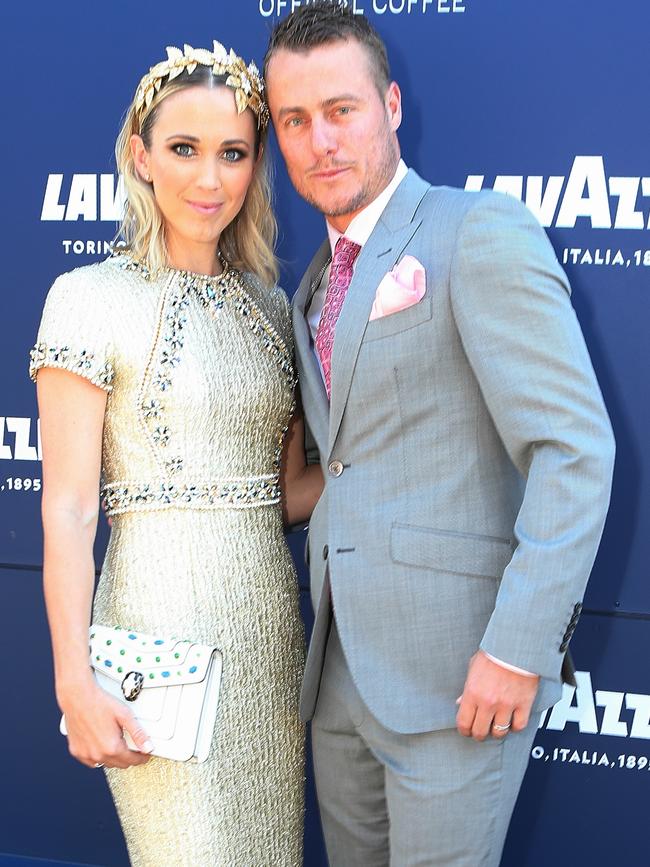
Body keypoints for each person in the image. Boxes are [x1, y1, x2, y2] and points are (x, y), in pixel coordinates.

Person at [264, 4, 616, 865]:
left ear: (389, 106)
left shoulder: (477, 231)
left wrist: (515, 648)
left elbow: (573, 451)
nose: (320, 141)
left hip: (463, 675)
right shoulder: (311, 283)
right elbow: (345, 468)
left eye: (340, 110)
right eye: (294, 121)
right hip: (339, 680)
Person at [30, 42, 321, 867]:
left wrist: (388, 462)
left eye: (232, 153)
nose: (209, 179)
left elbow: (286, 496)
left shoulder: (269, 308)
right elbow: (70, 507)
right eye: (183, 149)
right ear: (139, 155)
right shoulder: (87, 298)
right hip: (156, 635)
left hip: (268, 637)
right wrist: (73, 681)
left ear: (256, 164)